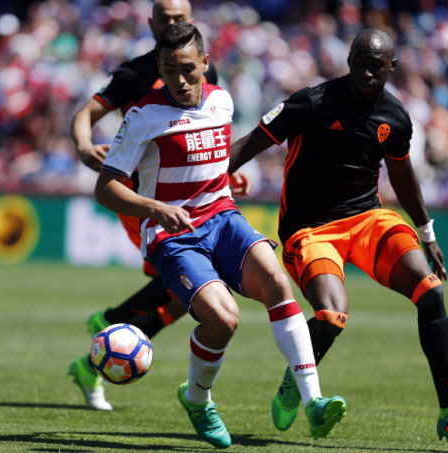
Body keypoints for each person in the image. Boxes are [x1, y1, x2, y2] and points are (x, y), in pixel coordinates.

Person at [228, 28, 448, 447]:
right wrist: (211, 182)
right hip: (311, 229)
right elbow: (249, 142)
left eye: (377, 65)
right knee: (333, 316)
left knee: (431, 293)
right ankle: (294, 381)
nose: (367, 72)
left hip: (368, 219)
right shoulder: (311, 102)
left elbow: (403, 177)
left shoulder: (395, 118)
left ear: (392, 68)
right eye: (360, 63)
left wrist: (427, 233)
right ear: (349, 59)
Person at [95, 21, 346, 449]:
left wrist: (226, 179)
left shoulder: (222, 102)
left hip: (223, 217)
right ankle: (197, 398)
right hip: (174, 237)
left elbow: (210, 161)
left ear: (206, 63)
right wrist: (155, 208)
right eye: (169, 69)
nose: (179, 79)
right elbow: (106, 187)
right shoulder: (143, 117)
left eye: (188, 68)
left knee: (276, 282)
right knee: (223, 319)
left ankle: (314, 400)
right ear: (159, 66)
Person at [68, 0, 250, 411]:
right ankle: (112, 321)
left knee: (185, 294)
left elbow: (208, 129)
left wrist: (223, 171)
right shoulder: (135, 73)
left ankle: (99, 351)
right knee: (186, 279)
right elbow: (87, 113)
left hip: (192, 197)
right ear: (151, 23)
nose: (172, 22)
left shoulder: (203, 70)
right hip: (143, 197)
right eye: (164, 18)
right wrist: (82, 145)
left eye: (179, 17)